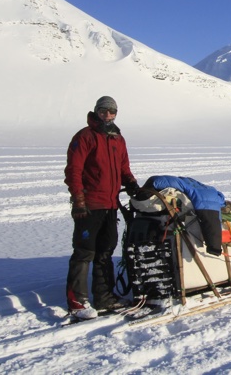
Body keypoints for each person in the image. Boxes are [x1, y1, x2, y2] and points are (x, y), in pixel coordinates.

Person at [64, 96, 139, 319]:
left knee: (106, 250)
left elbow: (124, 166)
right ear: (96, 112)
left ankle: (104, 297)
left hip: (110, 204)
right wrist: (78, 200)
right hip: (89, 205)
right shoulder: (85, 137)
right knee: (84, 251)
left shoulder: (118, 139)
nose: (107, 114)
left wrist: (132, 182)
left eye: (111, 111)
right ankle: (78, 301)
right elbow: (73, 170)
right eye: (103, 110)